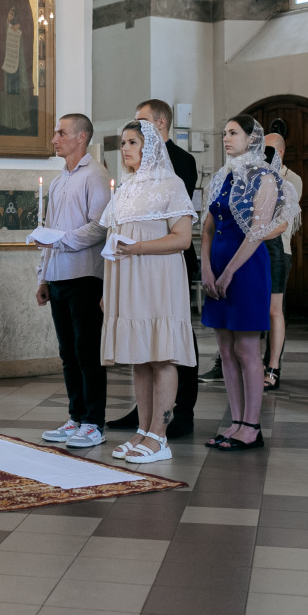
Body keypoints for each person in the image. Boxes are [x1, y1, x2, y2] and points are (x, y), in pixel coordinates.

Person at [101, 120, 196, 463]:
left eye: (132, 142)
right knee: (139, 358)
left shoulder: (171, 184)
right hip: (128, 281)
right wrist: (108, 289)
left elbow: (182, 238)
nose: (125, 148)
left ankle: (160, 436)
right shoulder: (125, 188)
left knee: (162, 355)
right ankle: (142, 431)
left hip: (158, 278)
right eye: (124, 142)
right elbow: (114, 240)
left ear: (149, 147)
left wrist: (139, 247)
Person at [201, 115, 297, 451]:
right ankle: (236, 420)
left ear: (250, 139)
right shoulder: (222, 177)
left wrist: (228, 272)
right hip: (218, 262)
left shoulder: (265, 178)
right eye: (224, 132)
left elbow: (258, 232)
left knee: (245, 349)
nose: (226, 138)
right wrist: (207, 270)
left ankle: (252, 426)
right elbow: (208, 229)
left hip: (247, 267)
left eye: (233, 133)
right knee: (225, 350)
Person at [34, 114, 112, 450]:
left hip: (84, 274)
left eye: (61, 133)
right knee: (67, 353)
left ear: (81, 137)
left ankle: (95, 422)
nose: (55, 138)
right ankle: (76, 416)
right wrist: (42, 276)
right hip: (58, 275)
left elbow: (100, 226)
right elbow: (48, 229)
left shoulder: (95, 175)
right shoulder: (58, 180)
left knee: (87, 352)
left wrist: (61, 241)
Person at [261, 132, 302, 390]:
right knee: (256, 309)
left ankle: (273, 366)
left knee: (275, 310)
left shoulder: (290, 180)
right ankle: (254, 364)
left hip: (278, 248)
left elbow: (283, 221)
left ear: (280, 152)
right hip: (254, 249)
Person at [0, 0, 35, 134]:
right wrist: (7, 22)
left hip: (21, 49)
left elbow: (31, 23)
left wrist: (20, 26)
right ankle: (7, 120)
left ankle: (23, 120)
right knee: (8, 83)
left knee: (23, 81)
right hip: (6, 50)